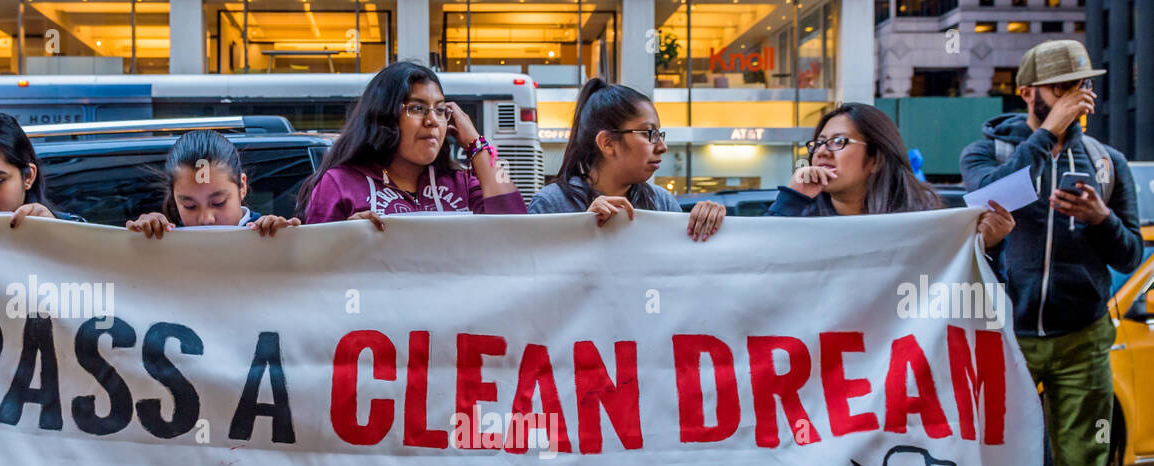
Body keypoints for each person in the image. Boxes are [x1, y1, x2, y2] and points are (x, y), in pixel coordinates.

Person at [960, 39, 1144, 466]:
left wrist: (1100, 219)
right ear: (1028, 91)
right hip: (1003, 333)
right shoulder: (992, 148)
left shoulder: (1107, 160)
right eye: (1062, 88)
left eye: (1082, 87)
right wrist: (1047, 137)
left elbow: (1130, 253)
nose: (1076, 98)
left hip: (1082, 334)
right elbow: (984, 203)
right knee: (989, 464)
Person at [298, 60, 527, 227]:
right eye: (417, 108)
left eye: (440, 110)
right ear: (385, 116)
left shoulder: (462, 184)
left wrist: (476, 145)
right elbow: (316, 270)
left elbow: (517, 229)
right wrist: (346, 238)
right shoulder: (339, 184)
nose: (432, 121)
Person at [768, 102, 1016, 254]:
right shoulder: (798, 216)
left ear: (876, 159)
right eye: (818, 143)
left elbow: (974, 299)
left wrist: (988, 247)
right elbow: (756, 263)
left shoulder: (926, 226)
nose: (821, 151)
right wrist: (791, 199)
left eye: (838, 142)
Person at [527, 77, 725, 241]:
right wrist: (583, 228)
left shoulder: (662, 202)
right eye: (648, 133)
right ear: (607, 143)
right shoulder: (550, 205)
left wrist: (708, 221)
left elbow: (680, 271)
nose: (662, 147)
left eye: (659, 134)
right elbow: (533, 276)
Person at [126, 130, 300, 238]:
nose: (206, 219)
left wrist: (284, 242)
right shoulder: (164, 239)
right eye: (190, 206)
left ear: (242, 187)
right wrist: (142, 241)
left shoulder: (271, 235)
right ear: (174, 199)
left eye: (218, 202)